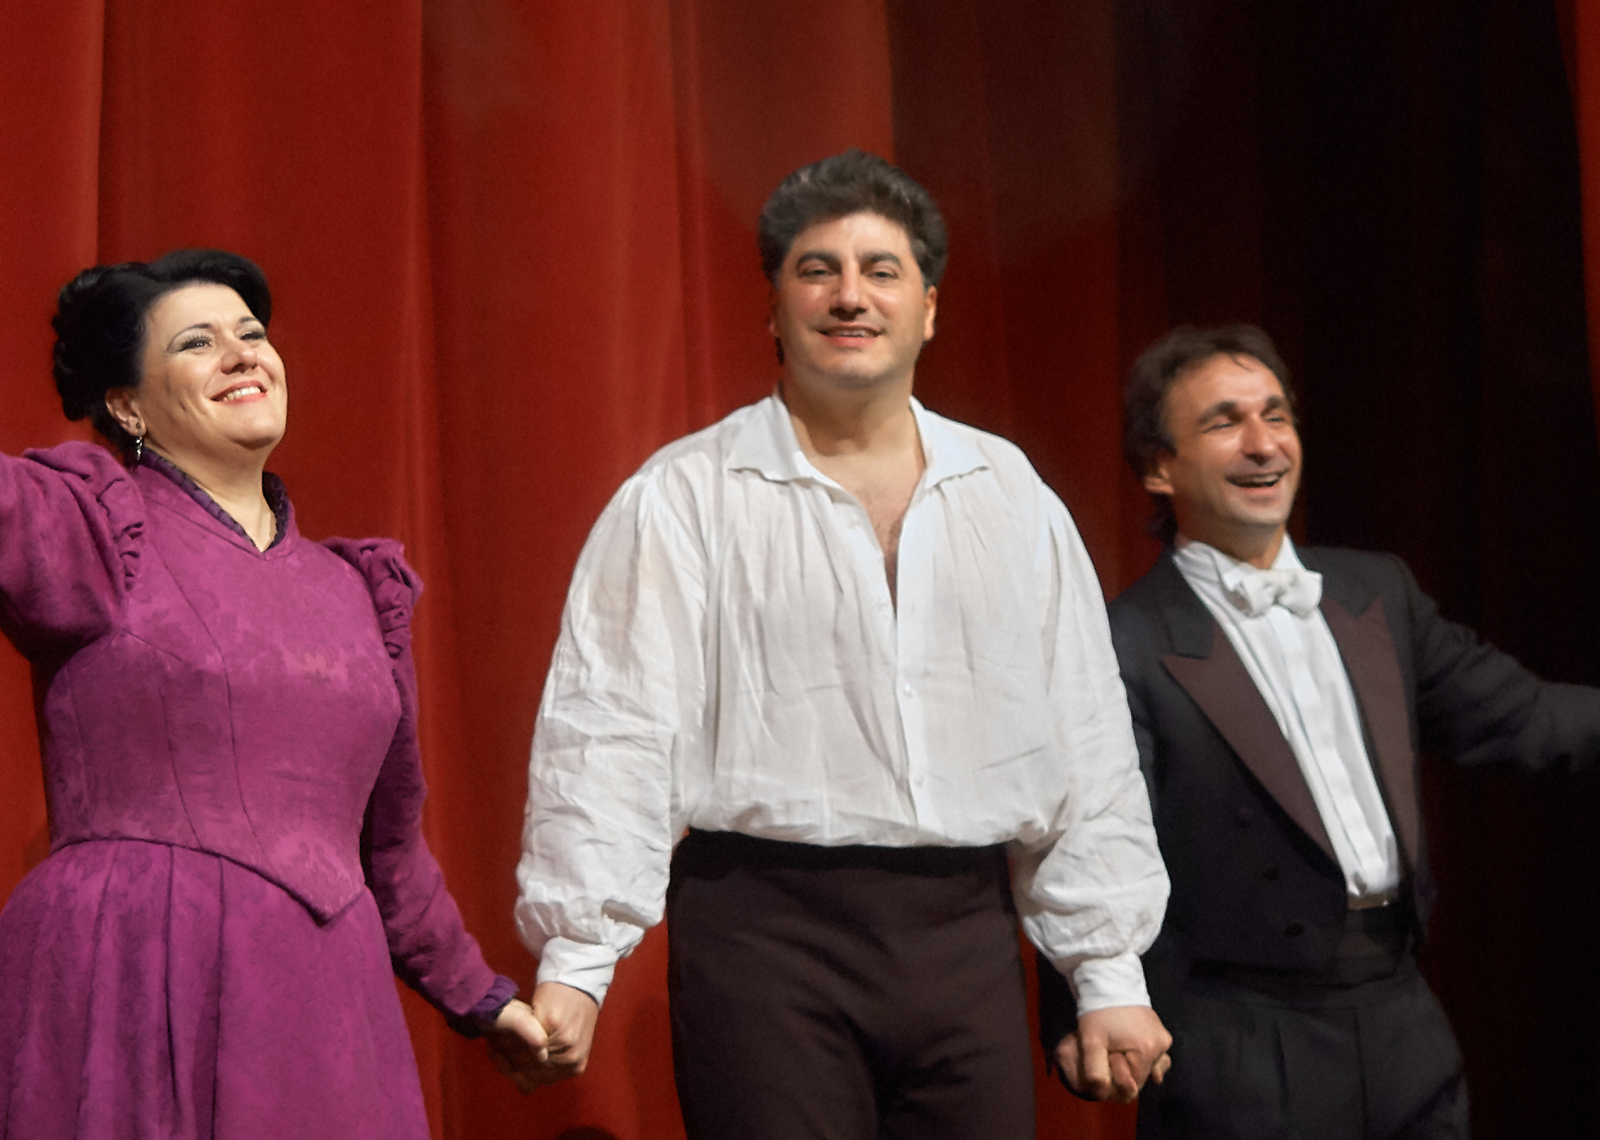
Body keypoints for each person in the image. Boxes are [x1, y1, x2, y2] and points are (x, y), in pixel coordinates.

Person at [514, 150, 1172, 1138]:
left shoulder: (1009, 493)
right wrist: (576, 961)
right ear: (773, 310)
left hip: (963, 933)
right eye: (816, 270)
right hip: (765, 934)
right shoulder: (686, 494)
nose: (849, 295)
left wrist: (1105, 970)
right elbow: (612, 729)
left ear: (929, 308)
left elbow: (1085, 737)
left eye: (881, 270)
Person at [0, 249, 548, 1139]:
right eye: (198, 343)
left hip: (322, 997)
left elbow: (391, 852)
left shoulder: (355, 591)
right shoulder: (98, 524)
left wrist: (484, 1000)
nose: (243, 354)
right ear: (127, 405)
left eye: (252, 335)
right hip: (132, 969)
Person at [1038, 323, 1600, 1139]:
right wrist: (1083, 1010)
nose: (1263, 444)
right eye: (1224, 421)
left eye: (1277, 415)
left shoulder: (1378, 591)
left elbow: (1524, 716)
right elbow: (1085, 836)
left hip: (1403, 1015)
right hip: (1243, 1044)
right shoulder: (1125, 640)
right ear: (1159, 467)